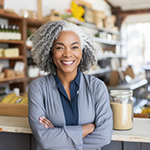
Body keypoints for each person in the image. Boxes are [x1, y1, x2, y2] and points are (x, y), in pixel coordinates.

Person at [28, 20, 113, 150]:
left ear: (82, 53)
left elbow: (104, 136)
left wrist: (57, 137)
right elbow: (43, 139)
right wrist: (87, 128)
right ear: (50, 53)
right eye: (60, 47)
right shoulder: (38, 88)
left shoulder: (97, 87)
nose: (67, 54)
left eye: (74, 47)